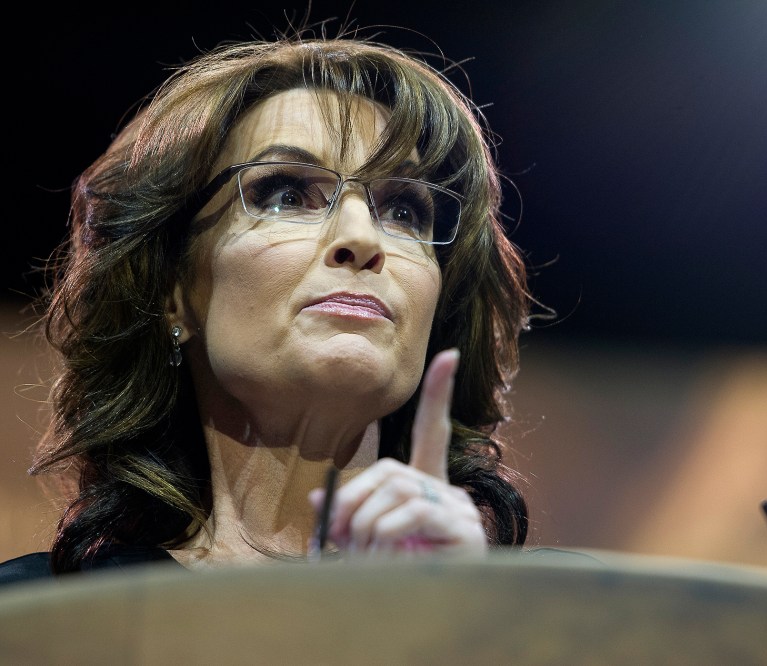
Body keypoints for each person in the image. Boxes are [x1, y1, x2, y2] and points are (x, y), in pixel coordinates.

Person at [0, 22, 537, 583]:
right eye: (286, 194)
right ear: (172, 291)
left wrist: (468, 626)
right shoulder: (37, 619)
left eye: (404, 210)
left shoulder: (568, 621)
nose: (363, 239)